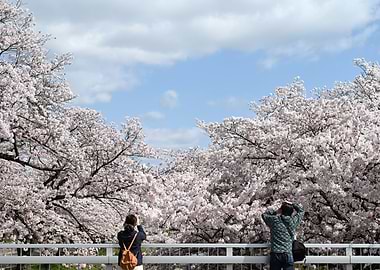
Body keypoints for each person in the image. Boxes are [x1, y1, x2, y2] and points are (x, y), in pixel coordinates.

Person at [262, 201, 304, 270]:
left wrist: (275, 212)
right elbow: (301, 211)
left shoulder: (274, 220)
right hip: (287, 253)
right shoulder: (293, 222)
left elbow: (264, 215)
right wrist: (292, 204)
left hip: (276, 254)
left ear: (281, 210)